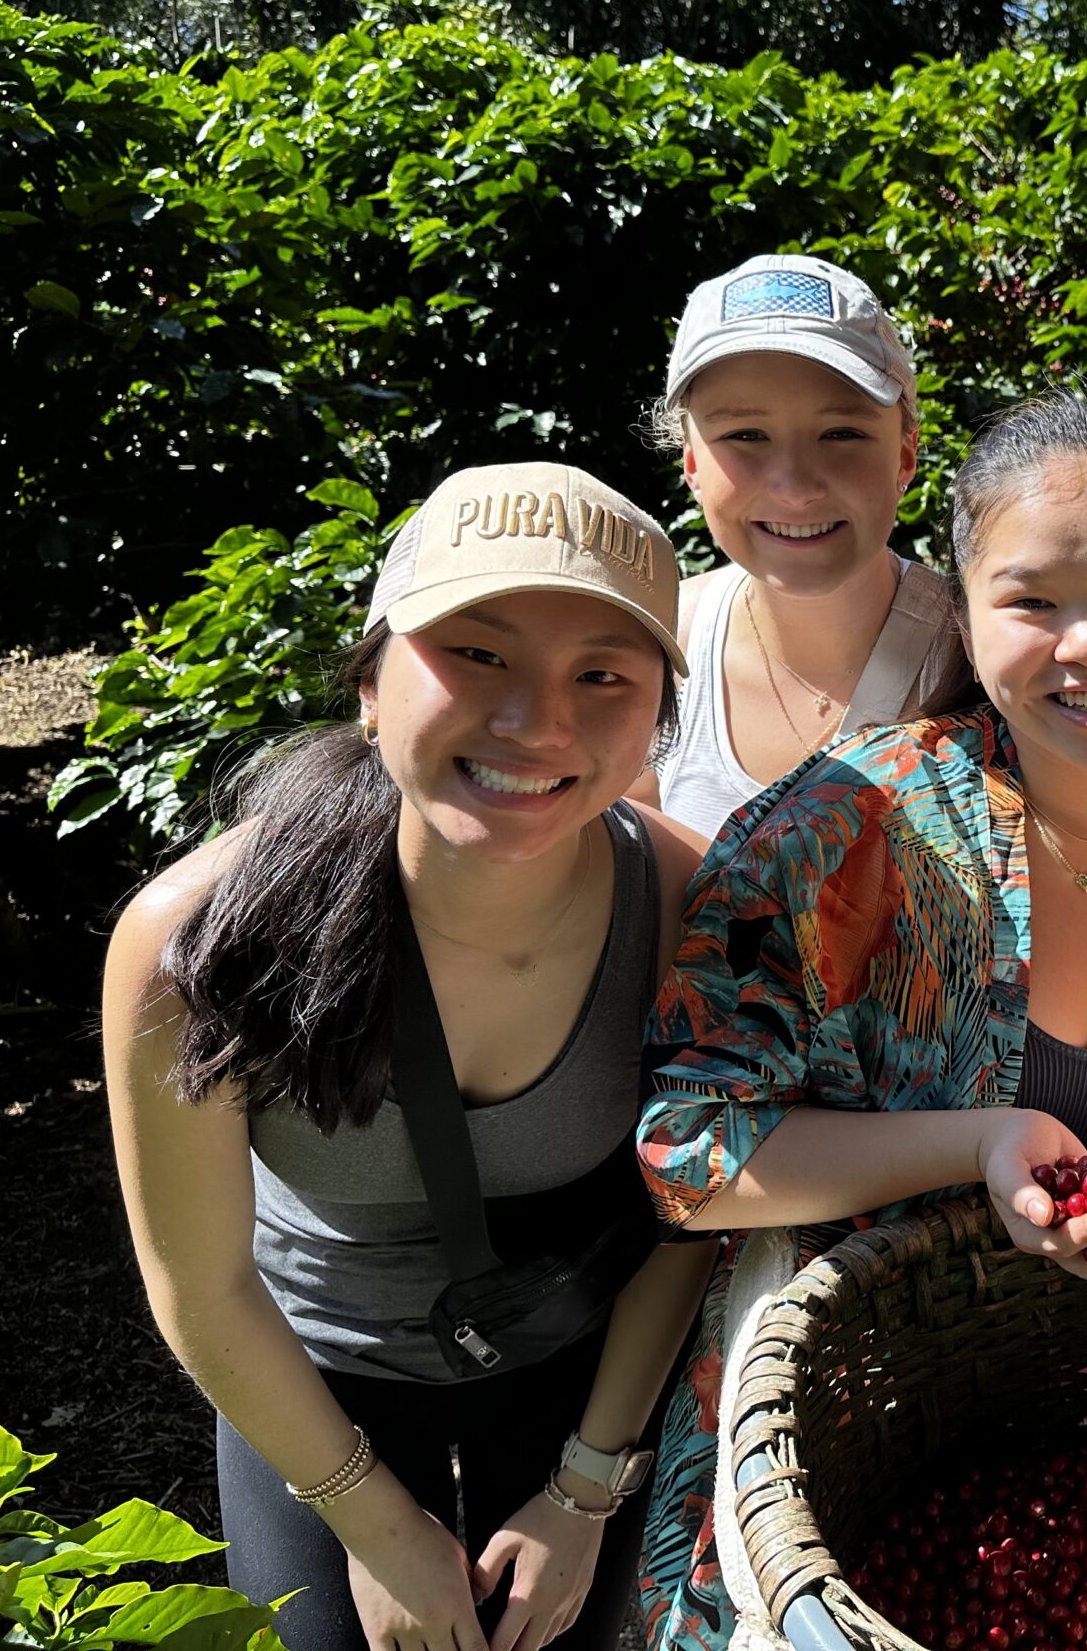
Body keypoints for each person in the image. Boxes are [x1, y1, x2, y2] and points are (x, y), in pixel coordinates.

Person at [632, 393, 1087, 1651]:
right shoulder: (841, 836)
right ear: (968, 620)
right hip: (876, 1431)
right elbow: (691, 1158)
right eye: (1032, 602)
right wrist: (982, 1144)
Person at [103, 462, 717, 1651]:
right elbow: (203, 1286)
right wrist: (375, 1527)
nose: (536, 721)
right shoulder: (199, 943)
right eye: (476, 654)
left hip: (583, 1349)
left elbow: (693, 1212)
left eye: (602, 675)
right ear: (371, 682)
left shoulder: (685, 904)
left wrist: (587, 1489)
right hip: (309, 1370)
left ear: (654, 719)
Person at [631, 251, 972, 839]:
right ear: (691, 462)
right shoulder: (655, 649)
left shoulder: (985, 651)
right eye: (745, 435)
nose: (795, 488)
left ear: (905, 455)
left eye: (841, 433)